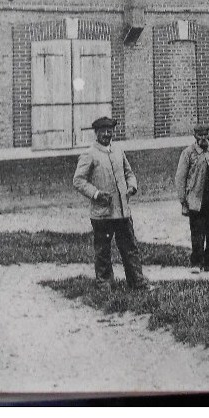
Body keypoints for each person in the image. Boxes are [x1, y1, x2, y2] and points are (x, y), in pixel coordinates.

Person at [72, 117, 152, 291]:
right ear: (96, 133)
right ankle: (105, 283)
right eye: (103, 132)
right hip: (102, 213)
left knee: (130, 247)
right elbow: (78, 181)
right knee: (103, 250)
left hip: (122, 211)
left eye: (109, 131)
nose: (106, 135)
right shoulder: (89, 154)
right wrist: (96, 193)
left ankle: (137, 281)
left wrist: (132, 186)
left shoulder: (118, 151)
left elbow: (129, 173)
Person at [176, 124, 209, 274]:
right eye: (199, 135)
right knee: (197, 233)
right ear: (195, 136)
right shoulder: (188, 153)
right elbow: (180, 178)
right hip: (195, 200)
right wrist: (183, 202)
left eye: (205, 135)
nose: (203, 138)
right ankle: (197, 263)